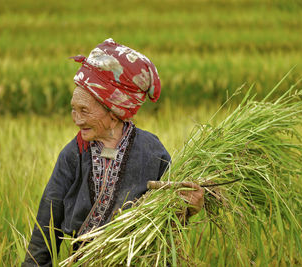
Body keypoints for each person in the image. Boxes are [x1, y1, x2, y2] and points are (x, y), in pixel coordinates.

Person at [22, 38, 204, 266]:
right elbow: (46, 225)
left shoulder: (152, 151)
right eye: (73, 109)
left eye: (84, 110)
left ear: (115, 112)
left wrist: (189, 207)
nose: (77, 120)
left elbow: (168, 218)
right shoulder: (73, 154)